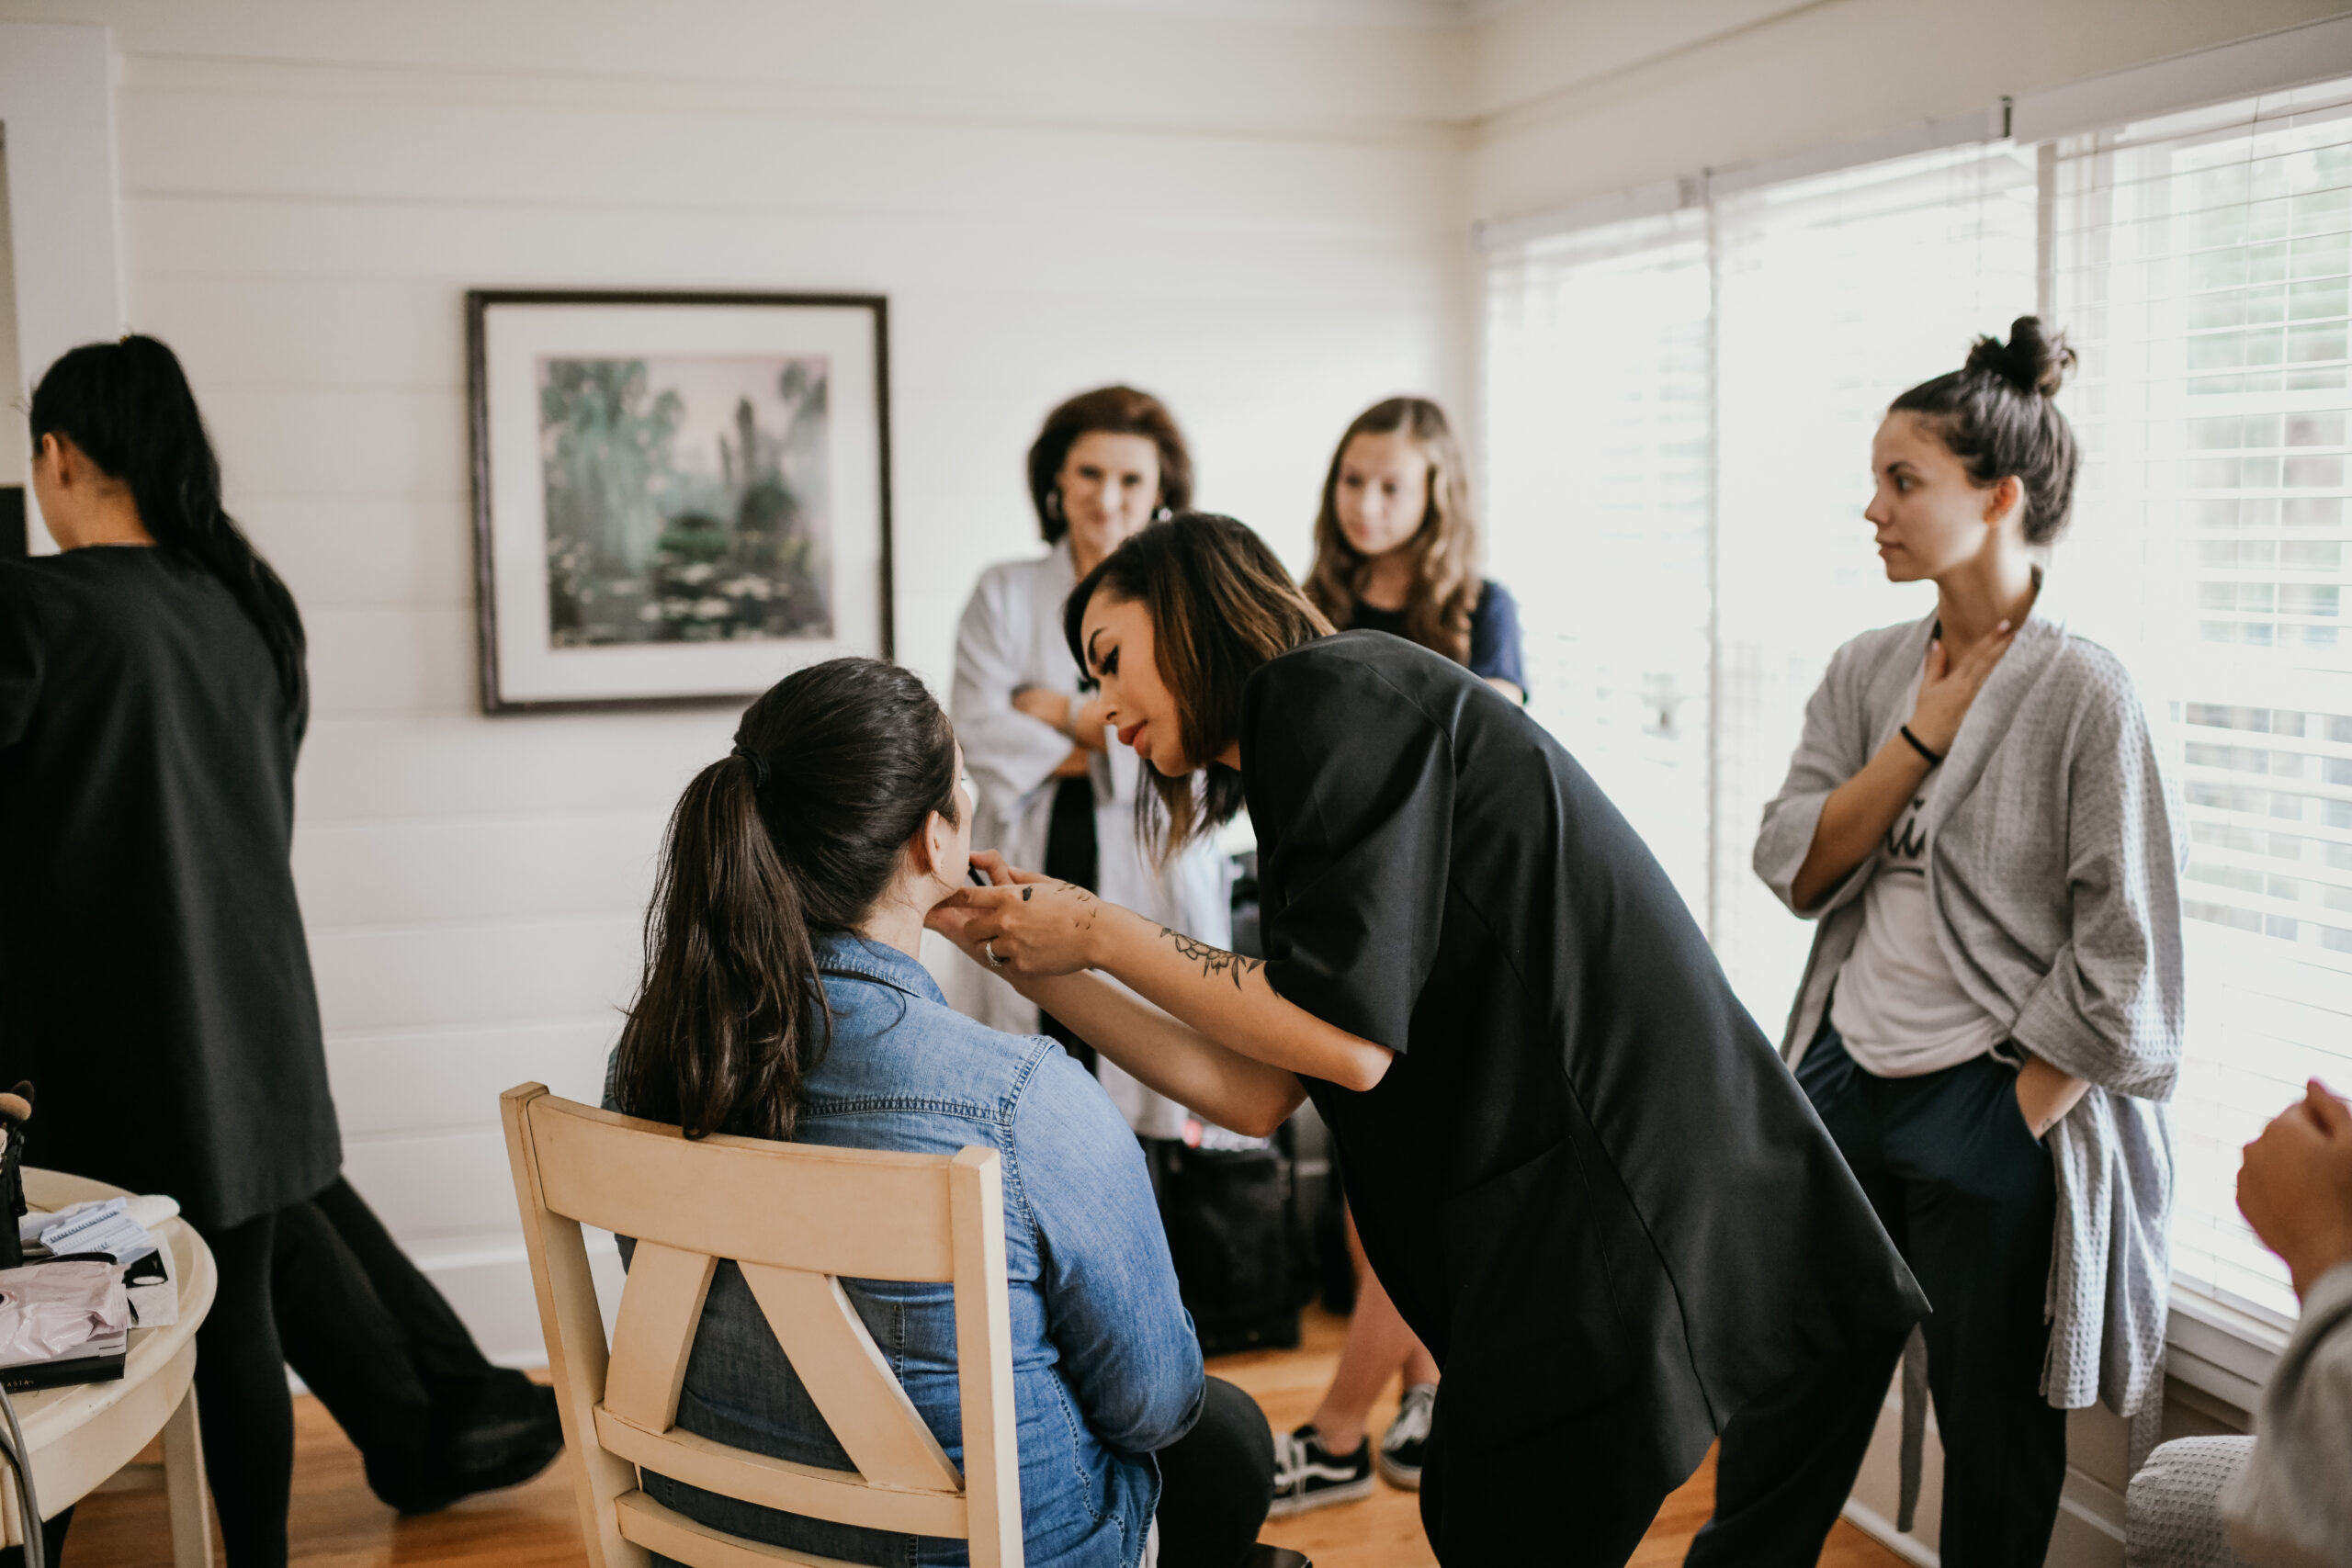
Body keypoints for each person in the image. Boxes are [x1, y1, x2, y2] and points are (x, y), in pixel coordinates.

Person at [930, 513, 1928, 1565]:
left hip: (1613, 1201)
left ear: (1184, 608)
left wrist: (1094, 927)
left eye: (1110, 660)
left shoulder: (1323, 693)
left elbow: (1349, 1040)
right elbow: (1258, 1092)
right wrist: (1037, 959)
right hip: (1564, 1217)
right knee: (1477, 1514)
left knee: (1496, 1524)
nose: (1102, 707)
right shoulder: (1307, 743)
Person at [0, 336, 560, 1565]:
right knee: (235, 1324)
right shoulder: (246, 606)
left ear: (57, 453)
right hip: (248, 1024)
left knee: (51, 1340)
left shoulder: (36, 607)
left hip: (88, 1046)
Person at [605, 656, 1295, 1568]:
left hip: (720, 1536)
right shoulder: (1021, 1100)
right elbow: (1153, 1403)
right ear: (936, 842)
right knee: (1231, 1439)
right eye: (962, 784)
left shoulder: (654, 1061)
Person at [1690, 319, 2185, 1567]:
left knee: (1997, 1442)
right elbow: (1794, 857)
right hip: (1845, 1083)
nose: (1874, 509)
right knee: (1782, 1409)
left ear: (1999, 495)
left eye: (1903, 480)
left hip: (1990, 1107)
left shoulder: (2086, 694)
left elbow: (2126, 957)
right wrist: (1919, 735)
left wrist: (2007, 1114)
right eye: (1877, 479)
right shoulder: (1869, 670)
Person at [1272, 397, 1524, 1514]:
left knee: (1410, 1184)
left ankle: (1334, 1431)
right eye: (1352, 481)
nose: (1366, 504)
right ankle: (1431, 1395)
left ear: (1435, 496)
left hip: (1450, 928)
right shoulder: (1305, 604)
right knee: (1372, 1182)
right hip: (1339, 913)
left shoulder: (1479, 609)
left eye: (1390, 485)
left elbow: (1493, 753)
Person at [950, 386, 1227, 1137]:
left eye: (1131, 479)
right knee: (1033, 1091)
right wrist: (1113, 732)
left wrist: (1062, 710)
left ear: (1161, 490)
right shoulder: (1002, 594)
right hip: (1040, 843)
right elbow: (975, 730)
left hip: (1151, 862)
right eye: (1089, 474)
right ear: (1056, 482)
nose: (1109, 499)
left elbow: (1182, 747)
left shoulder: (1193, 600)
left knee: (1150, 1081)